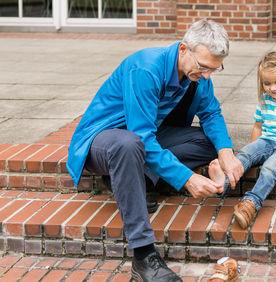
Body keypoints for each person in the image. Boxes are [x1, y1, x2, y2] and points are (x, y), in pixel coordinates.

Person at [66, 19, 243, 282]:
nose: (206, 75)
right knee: (129, 145)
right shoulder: (146, 68)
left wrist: (226, 152)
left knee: (210, 142)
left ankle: (137, 178)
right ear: (184, 49)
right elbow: (141, 137)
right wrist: (185, 177)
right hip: (102, 141)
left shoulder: (197, 74)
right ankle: (143, 257)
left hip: (142, 137)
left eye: (213, 70)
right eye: (203, 67)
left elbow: (211, 112)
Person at [208, 51, 276, 229]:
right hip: (267, 141)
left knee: (270, 167)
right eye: (267, 83)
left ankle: (250, 203)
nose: (272, 88)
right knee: (245, 154)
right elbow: (258, 126)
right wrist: (253, 148)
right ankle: (223, 182)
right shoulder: (264, 101)